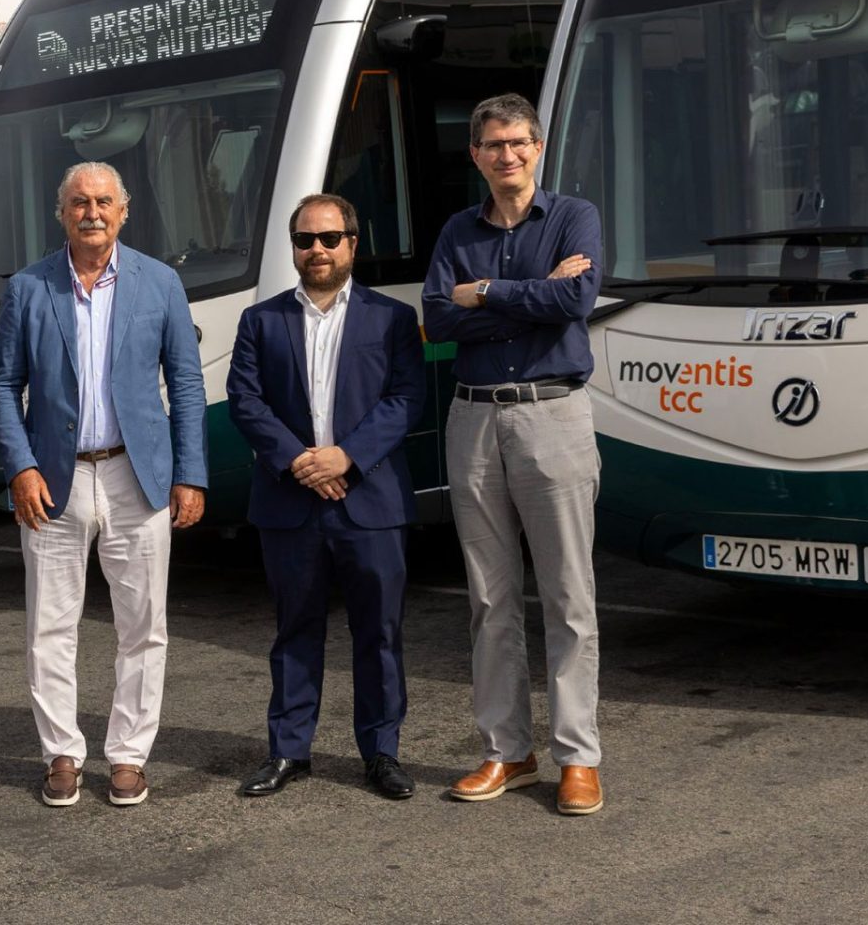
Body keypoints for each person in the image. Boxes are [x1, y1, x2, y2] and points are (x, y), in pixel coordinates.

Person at [0, 161, 206, 809]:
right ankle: (61, 751)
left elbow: (188, 385)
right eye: (79, 201)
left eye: (103, 201)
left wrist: (190, 473)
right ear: (62, 213)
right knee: (50, 625)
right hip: (51, 481)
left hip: (134, 475)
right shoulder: (29, 288)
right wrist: (21, 466)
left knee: (143, 625)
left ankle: (129, 756)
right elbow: (3, 386)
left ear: (124, 209)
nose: (92, 211)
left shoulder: (160, 283)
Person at [422, 92, 606, 816]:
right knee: (490, 599)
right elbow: (436, 318)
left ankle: (578, 757)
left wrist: (487, 293)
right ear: (476, 156)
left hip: (552, 414)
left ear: (538, 148)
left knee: (568, 595)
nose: (509, 155)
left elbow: (576, 302)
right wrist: (530, 295)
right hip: (472, 421)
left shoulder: (572, 216)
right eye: (494, 145)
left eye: (520, 143)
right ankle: (508, 752)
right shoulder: (455, 230)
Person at [226, 194, 427, 801]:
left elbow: (406, 398)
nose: (317, 249)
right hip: (291, 502)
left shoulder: (391, 318)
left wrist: (347, 457)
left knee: (380, 632)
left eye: (329, 238)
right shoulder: (260, 320)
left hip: (370, 501)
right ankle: (289, 751)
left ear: (353, 243)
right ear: (292, 247)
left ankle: (382, 752)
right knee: (294, 630)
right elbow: (246, 400)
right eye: (305, 239)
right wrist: (299, 462)